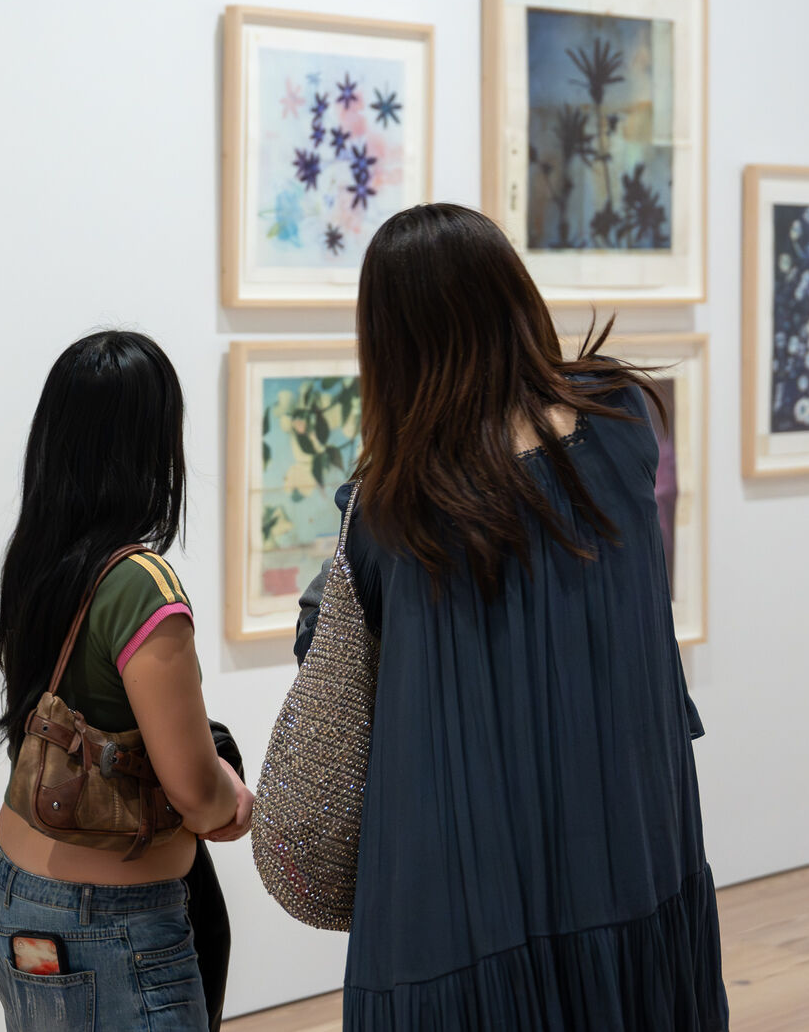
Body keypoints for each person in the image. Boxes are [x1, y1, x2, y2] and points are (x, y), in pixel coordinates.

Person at [293, 204, 728, 1030]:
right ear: (512, 298)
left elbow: (329, 647)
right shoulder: (623, 420)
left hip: (467, 891)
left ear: (395, 339)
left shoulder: (397, 508)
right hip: (628, 841)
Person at [0, 330, 254, 1032]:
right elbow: (195, 792)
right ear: (151, 444)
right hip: (113, 922)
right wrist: (236, 801)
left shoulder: (37, 560)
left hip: (14, 892)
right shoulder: (139, 582)